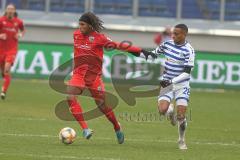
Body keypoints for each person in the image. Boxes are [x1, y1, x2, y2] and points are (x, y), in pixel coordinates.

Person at [67, 12, 156, 144]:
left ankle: (117, 126)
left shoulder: (99, 38)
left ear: (90, 26)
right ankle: (85, 129)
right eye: (79, 24)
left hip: (94, 78)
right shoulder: (76, 35)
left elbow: (120, 46)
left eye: (83, 24)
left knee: (103, 106)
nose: (80, 27)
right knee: (70, 97)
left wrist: (141, 53)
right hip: (78, 74)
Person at [144, 24, 195, 149]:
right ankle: (169, 111)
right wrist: (133, 51)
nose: (173, 36)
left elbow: (186, 73)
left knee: (181, 117)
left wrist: (171, 81)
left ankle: (181, 140)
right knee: (162, 111)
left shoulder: (189, 50)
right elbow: (152, 55)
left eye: (176, 34)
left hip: (181, 85)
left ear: (184, 34)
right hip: (167, 82)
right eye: (173, 33)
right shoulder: (167, 44)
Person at [0, 4, 25, 100]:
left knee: (7, 69)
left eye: (12, 9)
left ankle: (3, 91)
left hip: (11, 50)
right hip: (1, 50)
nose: (10, 11)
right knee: (4, 72)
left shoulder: (18, 22)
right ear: (6, 10)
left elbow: (23, 31)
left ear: (14, 11)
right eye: (8, 9)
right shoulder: (1, 20)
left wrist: (19, 35)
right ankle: (4, 77)